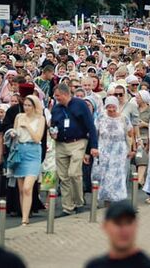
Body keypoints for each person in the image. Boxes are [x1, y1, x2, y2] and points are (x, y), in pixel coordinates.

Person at [50, 83, 98, 215]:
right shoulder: (56, 109)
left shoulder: (80, 104)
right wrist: (52, 132)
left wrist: (93, 146)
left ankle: (79, 201)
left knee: (73, 173)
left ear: (65, 94)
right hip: (61, 143)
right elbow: (52, 125)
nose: (56, 98)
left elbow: (90, 125)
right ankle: (68, 207)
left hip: (78, 142)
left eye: (58, 96)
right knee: (63, 176)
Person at [85, 200, 150, 268]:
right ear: (105, 226)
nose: (124, 230)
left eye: (128, 223)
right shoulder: (95, 265)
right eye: (118, 223)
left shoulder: (149, 266)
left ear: (136, 225)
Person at [92, 97, 135, 204]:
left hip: (119, 151)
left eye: (113, 107)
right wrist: (94, 147)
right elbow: (94, 133)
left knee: (117, 175)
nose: (111, 109)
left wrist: (132, 148)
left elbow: (131, 133)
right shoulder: (101, 117)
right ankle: (105, 199)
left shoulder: (123, 118)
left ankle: (117, 199)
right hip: (104, 150)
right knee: (103, 175)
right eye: (109, 107)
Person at [11, 95, 45, 225]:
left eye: (29, 105)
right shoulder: (19, 117)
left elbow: (38, 138)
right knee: (21, 189)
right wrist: (13, 134)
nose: (26, 108)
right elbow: (14, 133)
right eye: (25, 105)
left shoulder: (40, 119)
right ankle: (24, 217)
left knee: (27, 187)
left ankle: (25, 218)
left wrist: (28, 127)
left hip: (33, 152)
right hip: (20, 151)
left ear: (35, 106)